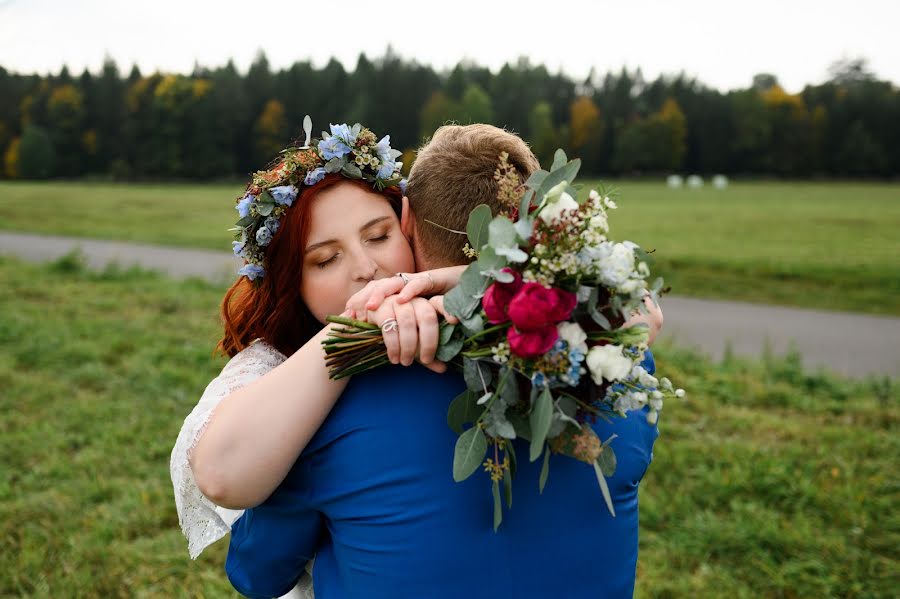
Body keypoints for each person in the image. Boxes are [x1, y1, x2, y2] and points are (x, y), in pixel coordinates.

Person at [172, 123, 661, 598]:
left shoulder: (332, 409)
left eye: (379, 236)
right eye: (325, 259)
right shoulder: (616, 367)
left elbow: (256, 572)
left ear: (405, 221)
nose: (367, 271)